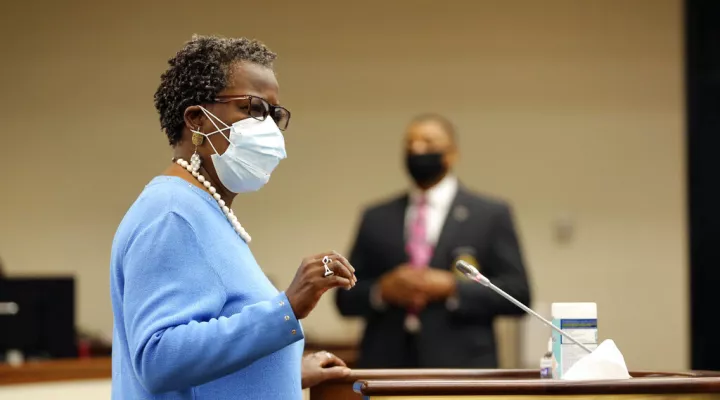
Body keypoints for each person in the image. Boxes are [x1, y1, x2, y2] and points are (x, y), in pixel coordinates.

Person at [110, 35, 357, 400]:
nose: (269, 127)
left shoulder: (205, 209)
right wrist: (286, 308)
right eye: (254, 109)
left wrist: (285, 371)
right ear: (196, 120)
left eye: (276, 114)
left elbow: (210, 347)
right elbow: (158, 358)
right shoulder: (172, 214)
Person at [335, 113, 531, 368]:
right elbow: (344, 299)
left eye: (427, 143)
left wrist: (452, 287)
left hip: (463, 367)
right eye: (410, 144)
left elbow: (518, 294)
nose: (417, 149)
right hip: (385, 366)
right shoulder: (375, 217)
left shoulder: (490, 214)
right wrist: (382, 290)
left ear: (452, 154)